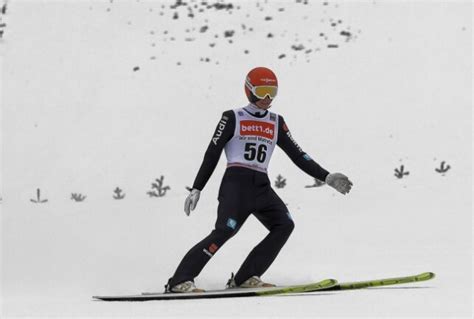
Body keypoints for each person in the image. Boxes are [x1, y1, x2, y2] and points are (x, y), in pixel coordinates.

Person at [165, 67, 353, 293]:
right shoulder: (232, 117)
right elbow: (212, 153)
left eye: (272, 92)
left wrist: (327, 176)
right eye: (263, 91)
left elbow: (297, 154)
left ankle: (246, 276)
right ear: (249, 90)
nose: (267, 98)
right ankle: (179, 280)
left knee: (284, 225)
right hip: (236, 185)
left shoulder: (276, 121)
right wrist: (197, 187)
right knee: (224, 231)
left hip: (261, 187)